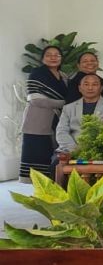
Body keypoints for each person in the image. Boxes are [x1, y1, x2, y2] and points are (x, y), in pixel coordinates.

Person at [21, 46, 68, 180]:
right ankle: (38, 193)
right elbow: (37, 100)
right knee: (37, 158)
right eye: (49, 55)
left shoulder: (64, 76)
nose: (53, 57)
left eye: (57, 55)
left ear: (61, 58)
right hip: (37, 123)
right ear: (42, 58)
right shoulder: (36, 73)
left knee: (52, 158)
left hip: (56, 121)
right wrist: (65, 103)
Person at [55, 74, 103, 153]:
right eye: (86, 84)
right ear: (79, 88)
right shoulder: (68, 108)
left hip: (98, 152)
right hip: (69, 150)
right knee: (56, 164)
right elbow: (61, 131)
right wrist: (74, 149)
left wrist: (93, 150)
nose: (90, 88)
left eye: (94, 84)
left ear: (101, 88)